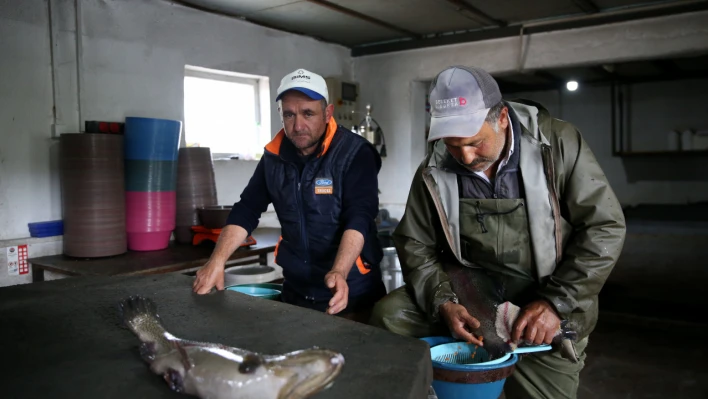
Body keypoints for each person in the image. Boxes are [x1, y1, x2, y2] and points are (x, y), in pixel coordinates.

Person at [370, 66, 626, 398]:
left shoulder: (556, 144)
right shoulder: (434, 167)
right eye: (453, 144)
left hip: (547, 294)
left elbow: (604, 227)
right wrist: (443, 301)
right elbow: (414, 242)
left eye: (475, 142)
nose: (465, 156)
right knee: (389, 315)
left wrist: (556, 303)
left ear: (502, 118)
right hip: (472, 290)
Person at [193, 68, 386, 323]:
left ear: (328, 113)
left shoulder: (355, 153)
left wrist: (339, 271)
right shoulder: (274, 157)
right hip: (296, 294)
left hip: (352, 295)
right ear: (280, 115)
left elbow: (359, 218)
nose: (298, 125)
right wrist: (216, 262)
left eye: (308, 113)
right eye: (289, 114)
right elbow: (247, 208)